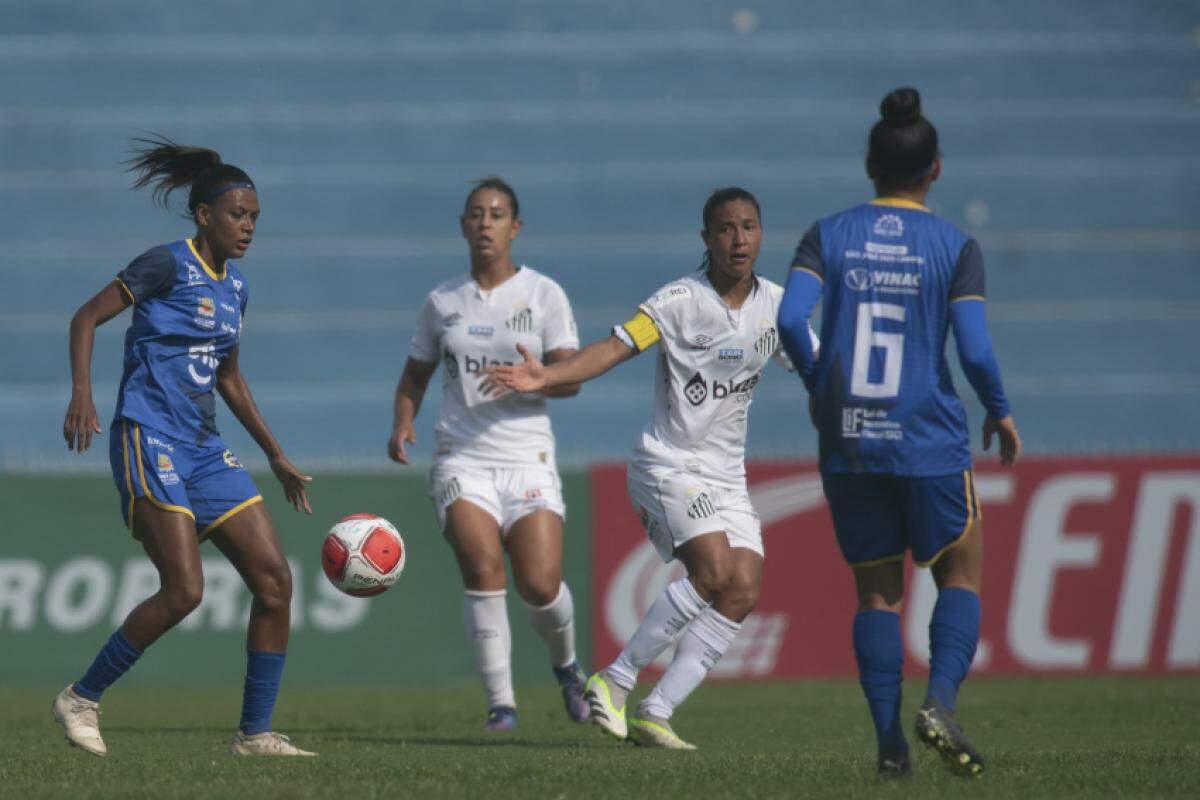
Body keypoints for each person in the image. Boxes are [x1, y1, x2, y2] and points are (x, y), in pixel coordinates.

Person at [493, 187, 816, 749]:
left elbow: (820, 366)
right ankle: (614, 680)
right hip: (667, 464)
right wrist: (548, 375)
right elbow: (613, 349)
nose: (738, 239)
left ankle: (656, 712)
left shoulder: (779, 309)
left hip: (726, 477)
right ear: (706, 238)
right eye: (725, 228)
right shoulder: (677, 301)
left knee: (742, 587)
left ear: (761, 234)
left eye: (748, 227)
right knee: (712, 569)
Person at [776, 87, 1021, 779]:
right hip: (927, 438)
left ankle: (890, 744)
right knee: (961, 575)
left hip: (851, 439)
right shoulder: (954, 245)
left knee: (877, 594)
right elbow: (972, 350)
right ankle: (940, 702)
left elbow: (791, 320)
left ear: (868, 164)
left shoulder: (828, 234)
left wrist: (821, 385)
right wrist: (998, 409)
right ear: (935, 169)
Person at [56, 136, 315, 757]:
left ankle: (254, 734)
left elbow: (227, 376)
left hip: (203, 447)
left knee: (275, 582)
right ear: (204, 215)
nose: (248, 226)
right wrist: (82, 396)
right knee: (186, 591)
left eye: (254, 217)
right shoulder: (166, 265)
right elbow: (85, 317)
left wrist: (275, 453)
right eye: (237, 214)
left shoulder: (236, 290)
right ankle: (82, 697)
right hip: (148, 436)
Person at [388, 178, 588, 731]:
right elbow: (415, 374)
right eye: (476, 214)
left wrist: (536, 379)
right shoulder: (442, 302)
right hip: (461, 456)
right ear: (463, 225)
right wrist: (403, 421)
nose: (485, 223)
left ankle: (566, 666)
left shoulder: (543, 294)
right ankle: (502, 705)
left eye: (496, 215)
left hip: (528, 457)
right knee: (482, 566)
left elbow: (572, 378)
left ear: (514, 227)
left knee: (541, 584)